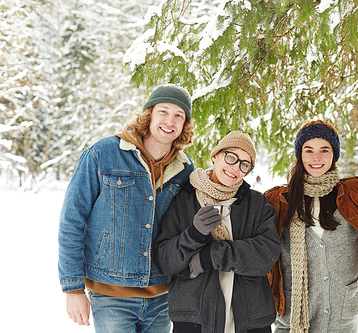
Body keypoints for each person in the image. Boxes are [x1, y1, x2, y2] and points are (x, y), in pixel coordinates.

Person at [58, 84, 195, 332]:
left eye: (179, 115)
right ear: (149, 114)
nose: (170, 121)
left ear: (184, 125)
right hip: (111, 295)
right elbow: (72, 220)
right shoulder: (103, 153)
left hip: (162, 297)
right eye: (163, 111)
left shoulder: (185, 169)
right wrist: (73, 288)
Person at [154, 131, 281, 333]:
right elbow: (166, 259)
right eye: (231, 157)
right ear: (215, 156)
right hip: (195, 318)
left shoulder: (257, 205)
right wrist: (194, 234)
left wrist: (210, 256)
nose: (235, 168)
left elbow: (266, 254)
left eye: (244, 164)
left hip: (250, 320)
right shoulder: (184, 199)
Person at [265, 120, 358, 332]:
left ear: (334, 155)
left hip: (341, 319)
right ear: (300, 155)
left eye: (324, 150)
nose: (316, 158)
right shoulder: (278, 200)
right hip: (291, 320)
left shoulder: (357, 194)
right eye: (308, 150)